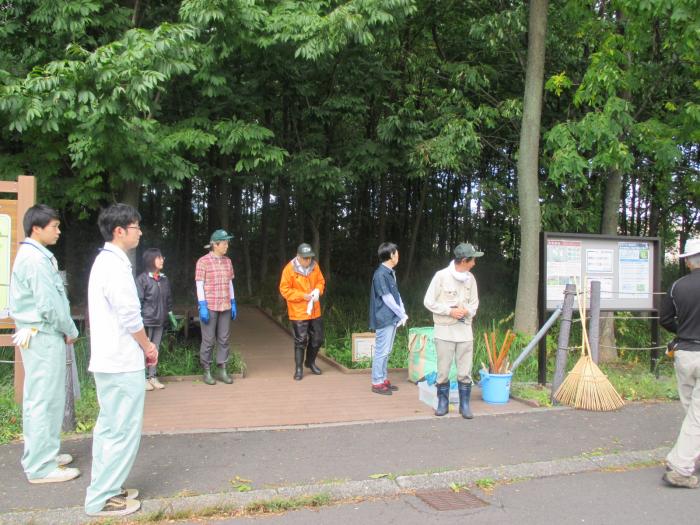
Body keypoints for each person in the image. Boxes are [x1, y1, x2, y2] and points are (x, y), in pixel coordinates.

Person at [84, 203, 158, 518]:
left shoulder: (109, 263)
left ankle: (110, 487)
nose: (140, 231)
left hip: (110, 359)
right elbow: (129, 315)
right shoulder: (114, 267)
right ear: (120, 231)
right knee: (120, 429)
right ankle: (101, 497)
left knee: (111, 427)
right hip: (120, 360)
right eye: (136, 227)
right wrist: (148, 346)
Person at [9, 204, 80, 484]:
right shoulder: (35, 259)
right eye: (54, 226)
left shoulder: (35, 255)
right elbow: (49, 304)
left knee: (45, 398)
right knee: (43, 400)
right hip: (43, 334)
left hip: (40, 333)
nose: (59, 231)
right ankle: (40, 466)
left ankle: (44, 454)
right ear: (36, 228)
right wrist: (69, 327)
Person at [423, 242, 482, 419]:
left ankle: (465, 404)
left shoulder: (471, 279)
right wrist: (450, 311)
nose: (474, 263)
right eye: (472, 260)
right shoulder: (441, 276)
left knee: (465, 370)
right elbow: (428, 301)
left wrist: (467, 311)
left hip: (464, 331)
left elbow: (474, 303)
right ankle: (443, 403)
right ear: (464, 260)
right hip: (444, 331)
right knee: (443, 370)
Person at [660, 237, 700, 489]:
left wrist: (682, 329)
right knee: (697, 416)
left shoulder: (677, 287)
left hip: (684, 354)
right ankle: (680, 467)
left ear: (688, 262)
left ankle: (690, 456)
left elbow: (665, 318)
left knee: (693, 412)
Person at [195, 229, 237, 385]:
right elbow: (199, 285)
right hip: (210, 305)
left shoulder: (228, 261)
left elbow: (230, 282)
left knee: (224, 339)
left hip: (225, 304)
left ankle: (222, 369)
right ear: (215, 244)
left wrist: (233, 302)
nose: (227, 245)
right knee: (208, 340)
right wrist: (202, 305)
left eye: (227, 242)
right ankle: (206, 370)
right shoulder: (203, 261)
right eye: (224, 243)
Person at [279, 243, 326, 380]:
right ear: (298, 256)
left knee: (318, 338)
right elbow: (284, 289)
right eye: (305, 258)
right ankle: (299, 368)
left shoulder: (315, 266)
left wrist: (318, 290)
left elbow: (321, 281)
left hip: (314, 310)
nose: (308, 261)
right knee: (301, 340)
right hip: (298, 310)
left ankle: (310, 362)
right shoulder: (289, 269)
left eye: (310, 258)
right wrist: (302, 296)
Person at [369, 242, 408, 395]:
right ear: (391, 255)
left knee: (387, 350)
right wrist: (401, 313)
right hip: (384, 317)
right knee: (381, 350)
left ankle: (383, 379)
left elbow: (396, 295)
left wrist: (402, 311)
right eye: (396, 254)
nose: (398, 256)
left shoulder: (390, 272)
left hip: (392, 317)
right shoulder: (380, 274)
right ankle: (377, 382)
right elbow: (387, 299)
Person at [135, 248, 176, 391]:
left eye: (162, 257)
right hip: (145, 321)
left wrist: (170, 315)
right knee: (143, 349)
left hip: (160, 320)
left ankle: (152, 377)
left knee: (155, 349)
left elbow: (168, 299)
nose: (162, 260)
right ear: (150, 260)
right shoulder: (142, 279)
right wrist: (138, 319)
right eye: (158, 258)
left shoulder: (164, 279)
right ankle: (143, 378)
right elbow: (138, 301)